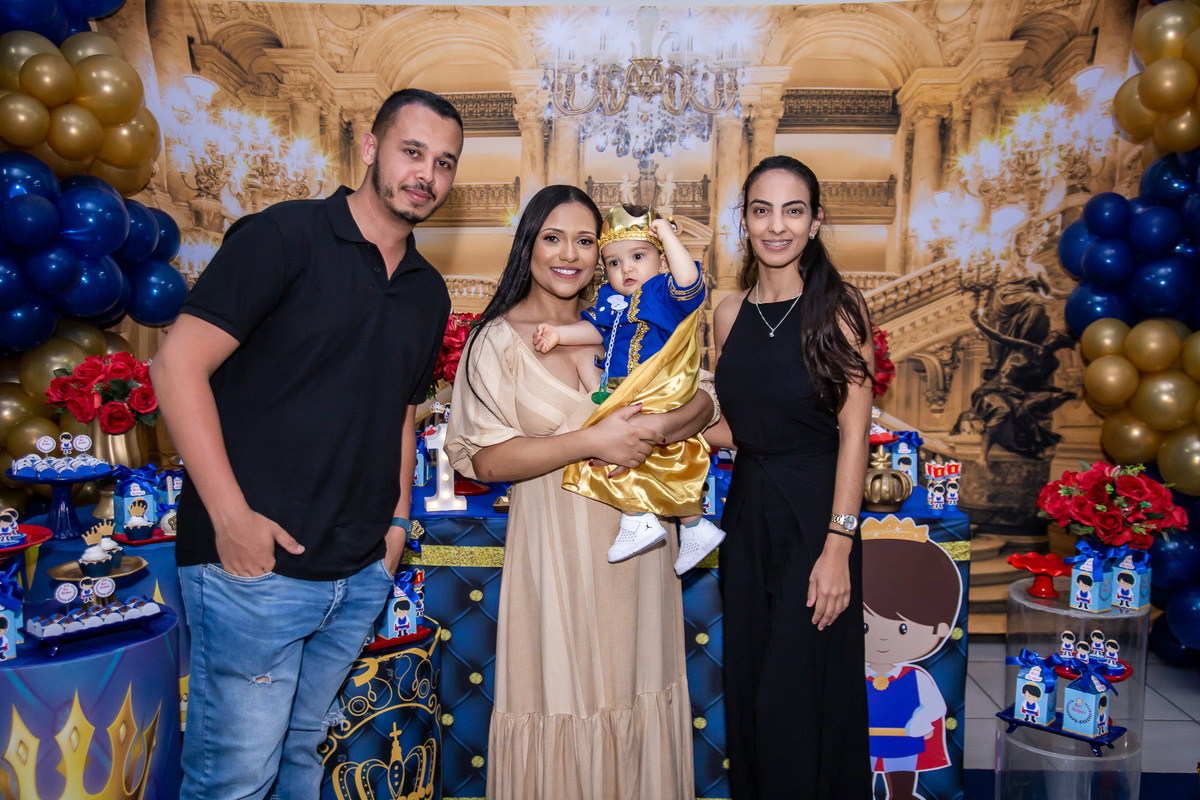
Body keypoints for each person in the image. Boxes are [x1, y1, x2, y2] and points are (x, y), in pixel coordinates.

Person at [152, 88, 463, 799]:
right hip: (253, 570)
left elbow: (402, 414)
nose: (426, 174)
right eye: (412, 151)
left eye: (444, 163)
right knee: (235, 780)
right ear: (370, 147)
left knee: (301, 761)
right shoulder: (283, 237)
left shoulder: (428, 291)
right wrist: (232, 520)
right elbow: (175, 367)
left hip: (356, 573)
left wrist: (395, 525)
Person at [444, 184, 716, 800]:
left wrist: (659, 427)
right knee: (562, 703)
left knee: (639, 695)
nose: (569, 254)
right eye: (553, 238)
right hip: (556, 560)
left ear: (603, 252)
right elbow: (483, 460)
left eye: (586, 241)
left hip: (642, 557)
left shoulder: (634, 323)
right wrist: (593, 441)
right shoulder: (495, 341)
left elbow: (707, 404)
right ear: (528, 246)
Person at [704, 155, 873, 799]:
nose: (777, 226)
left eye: (793, 210)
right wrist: (656, 424)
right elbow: (740, 428)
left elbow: (854, 433)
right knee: (751, 689)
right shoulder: (728, 314)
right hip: (747, 515)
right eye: (762, 210)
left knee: (797, 696)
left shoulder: (840, 310)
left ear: (815, 221)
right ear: (744, 221)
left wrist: (838, 546)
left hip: (815, 518)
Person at [533, 204, 725, 574]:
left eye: (638, 257)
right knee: (638, 459)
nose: (627, 270)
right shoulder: (611, 297)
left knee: (630, 455)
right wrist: (559, 334)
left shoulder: (663, 292)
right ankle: (688, 526)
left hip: (657, 388)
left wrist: (667, 235)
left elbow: (690, 282)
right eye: (615, 263)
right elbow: (597, 330)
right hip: (624, 391)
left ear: (662, 261)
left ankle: (644, 520)